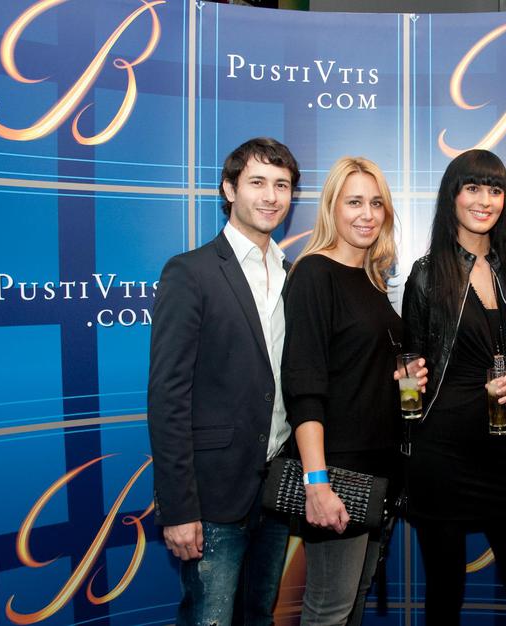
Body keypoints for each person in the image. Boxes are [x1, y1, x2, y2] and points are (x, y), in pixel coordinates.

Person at [147, 137, 300, 626]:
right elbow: (167, 397)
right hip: (212, 496)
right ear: (230, 190)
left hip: (276, 486)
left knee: (259, 615)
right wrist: (178, 508)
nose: (271, 196)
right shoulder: (190, 272)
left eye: (282, 185)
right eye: (257, 182)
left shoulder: (293, 275)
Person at [402, 149, 506, 626]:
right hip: (440, 457)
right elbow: (410, 365)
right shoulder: (426, 274)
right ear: (453, 196)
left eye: (495, 189)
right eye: (472, 188)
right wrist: (405, 381)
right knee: (445, 595)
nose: (484, 200)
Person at [281, 157, 425, 626]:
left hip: (379, 469)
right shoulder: (314, 274)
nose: (367, 214)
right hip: (338, 472)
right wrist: (317, 483)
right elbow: (304, 386)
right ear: (332, 208)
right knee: (330, 610)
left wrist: (401, 376)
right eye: (354, 202)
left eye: (376, 203)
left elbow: (353, 367)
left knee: (353, 602)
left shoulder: (370, 278)